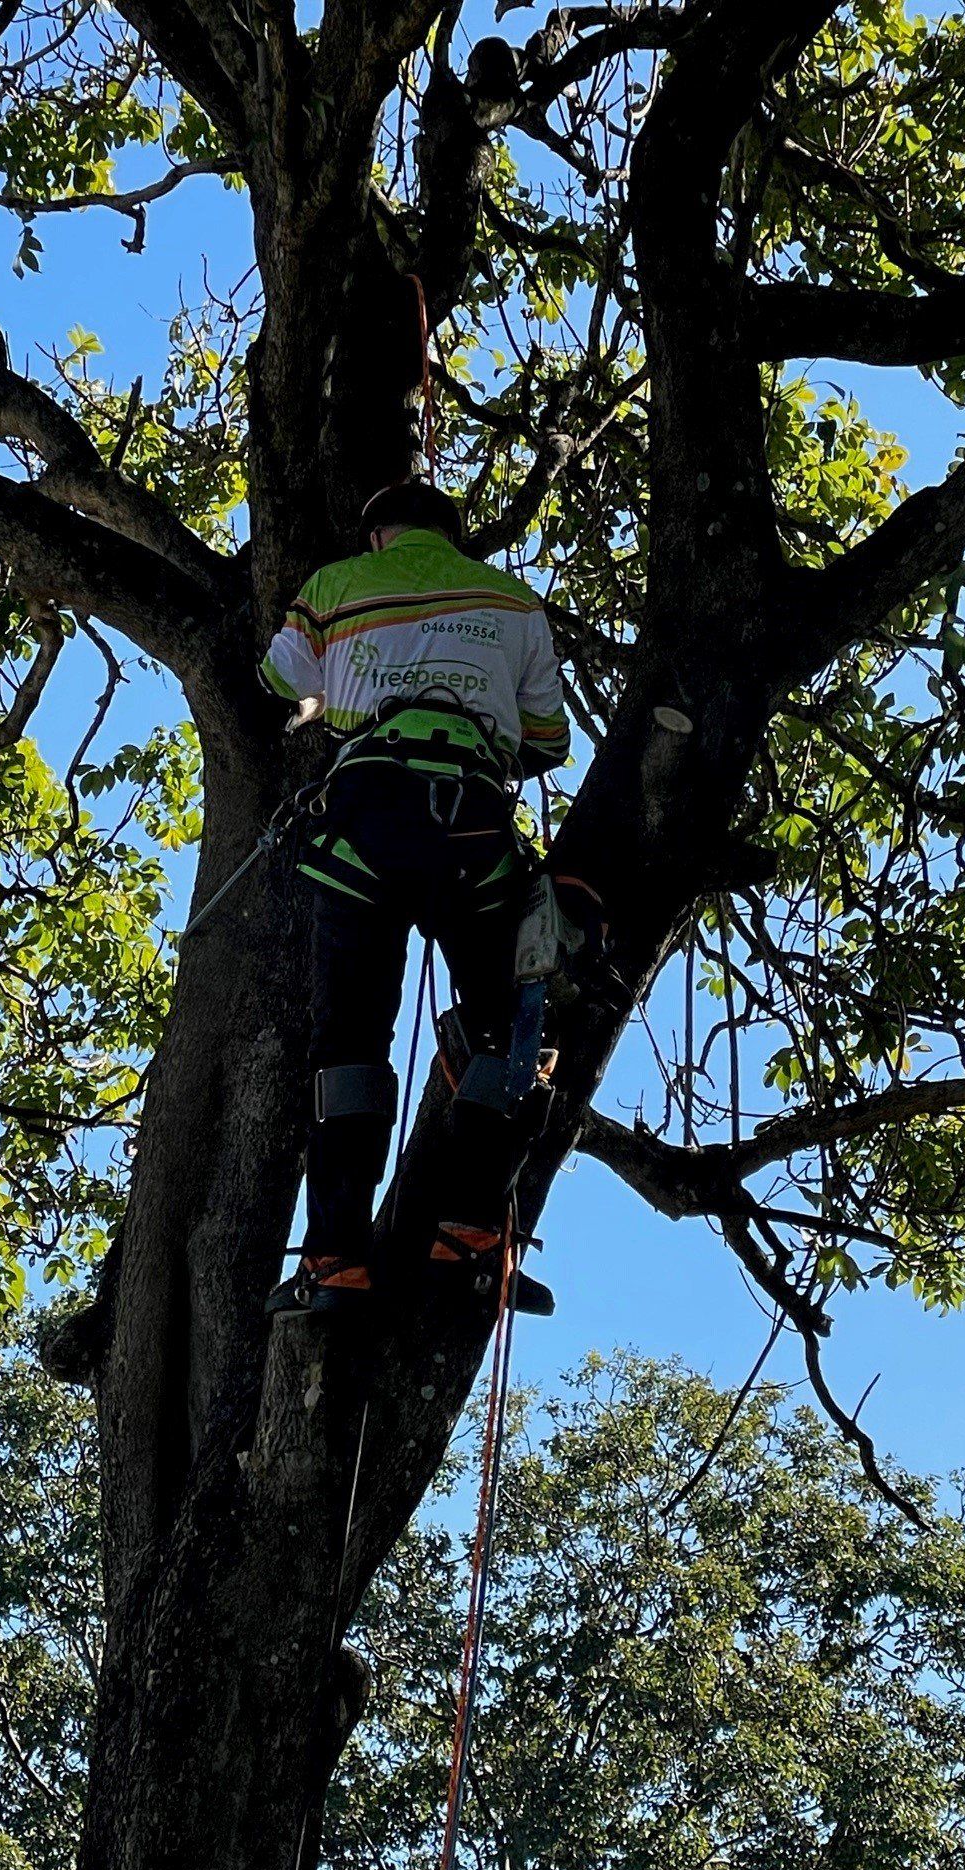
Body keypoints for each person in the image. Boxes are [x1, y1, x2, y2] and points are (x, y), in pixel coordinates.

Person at [260, 479, 572, 1315]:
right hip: (470, 822)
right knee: (511, 1033)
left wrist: (348, 685)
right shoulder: (514, 601)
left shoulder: (333, 585)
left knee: (349, 1045)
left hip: (364, 816)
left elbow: (280, 676)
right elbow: (549, 739)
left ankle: (334, 1264)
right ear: (455, 536)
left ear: (378, 537)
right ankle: (470, 1242)